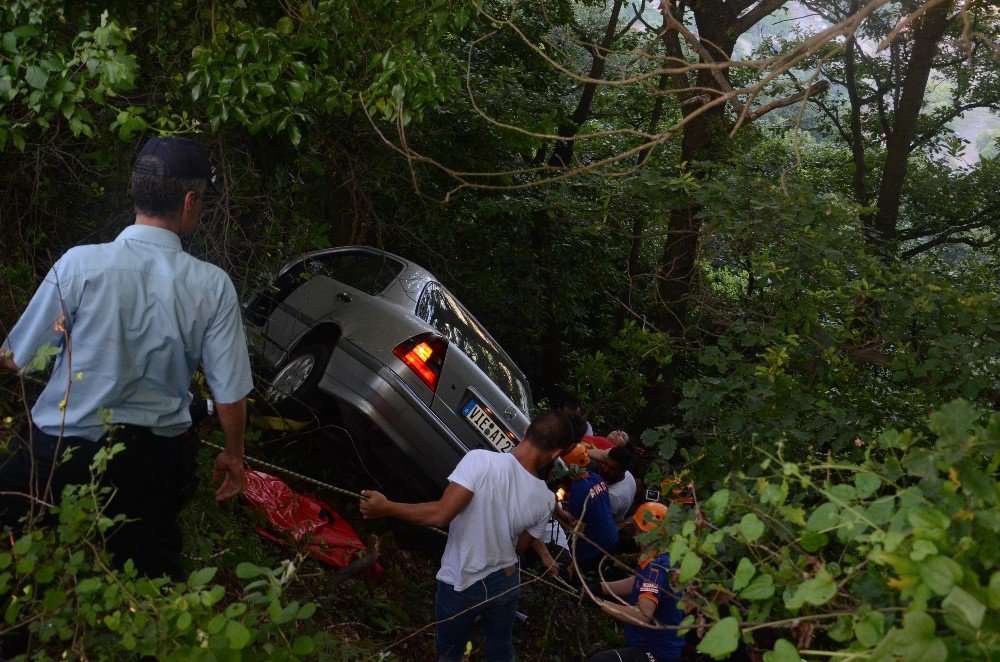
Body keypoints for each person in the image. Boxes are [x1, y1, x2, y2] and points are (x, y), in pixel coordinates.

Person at [0, 136, 253, 580]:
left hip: (56, 457)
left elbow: (20, 360)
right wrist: (234, 454)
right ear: (190, 200)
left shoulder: (80, 265)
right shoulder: (213, 287)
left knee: (15, 566)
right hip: (149, 469)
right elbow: (229, 393)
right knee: (145, 587)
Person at [359, 410, 575, 662]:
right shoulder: (547, 499)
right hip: (505, 582)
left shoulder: (480, 461)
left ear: (526, 430)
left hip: (462, 580)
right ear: (556, 453)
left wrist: (386, 507)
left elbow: (441, 515)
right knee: (500, 647)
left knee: (451, 652)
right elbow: (520, 547)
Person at [588, 502, 686, 662]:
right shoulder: (664, 556)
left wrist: (601, 604)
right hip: (666, 648)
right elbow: (640, 581)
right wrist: (602, 588)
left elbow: (643, 615)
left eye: (636, 527)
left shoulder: (655, 568)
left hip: (653, 652)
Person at [555, 443, 619, 577]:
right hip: (611, 536)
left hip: (595, 546)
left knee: (582, 577)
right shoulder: (596, 477)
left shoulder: (578, 488)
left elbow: (575, 525)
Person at [603, 446, 638, 525]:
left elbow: (604, 523)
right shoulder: (628, 475)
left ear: (622, 471)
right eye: (605, 464)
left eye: (611, 469)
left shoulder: (612, 495)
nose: (605, 469)